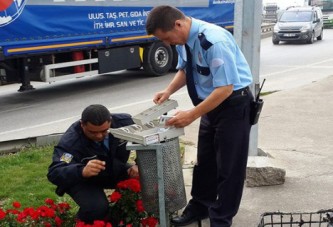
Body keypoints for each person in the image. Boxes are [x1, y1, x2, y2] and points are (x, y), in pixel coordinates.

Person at [146, 6, 254, 227]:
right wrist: (168, 91)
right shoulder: (185, 39)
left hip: (233, 105)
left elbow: (225, 88)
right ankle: (200, 207)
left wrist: (191, 115)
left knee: (229, 167)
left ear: (178, 24)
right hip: (210, 107)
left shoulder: (214, 41)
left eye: (166, 38)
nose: (167, 44)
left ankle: (221, 219)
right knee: (205, 163)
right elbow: (187, 69)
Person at [47, 104, 138, 224]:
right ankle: (80, 223)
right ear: (82, 125)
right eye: (92, 132)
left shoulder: (125, 123)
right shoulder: (71, 142)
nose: (99, 136)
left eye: (104, 131)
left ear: (110, 121)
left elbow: (151, 138)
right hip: (83, 180)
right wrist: (82, 171)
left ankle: (122, 220)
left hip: (114, 168)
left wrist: (138, 165)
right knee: (96, 208)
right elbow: (55, 172)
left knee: (147, 180)